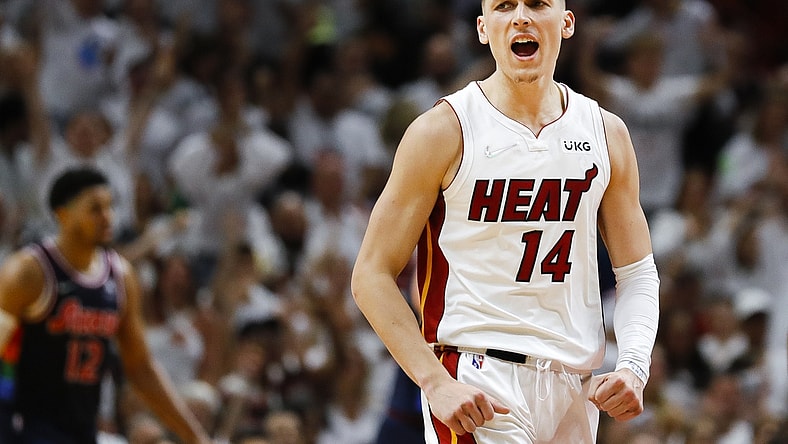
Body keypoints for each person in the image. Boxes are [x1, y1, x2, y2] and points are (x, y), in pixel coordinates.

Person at [351, 1, 660, 443]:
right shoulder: (444, 129)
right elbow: (370, 274)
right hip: (480, 380)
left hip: (573, 387)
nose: (520, 17)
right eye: (503, 6)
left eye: (536, 4)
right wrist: (434, 382)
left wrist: (633, 364)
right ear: (482, 28)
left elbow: (638, 272)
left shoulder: (606, 133)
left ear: (567, 22)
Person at [0, 168, 211, 443]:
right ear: (63, 214)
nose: (107, 217)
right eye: (95, 208)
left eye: (110, 207)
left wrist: (194, 436)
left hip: (83, 427)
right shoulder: (29, 272)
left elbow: (140, 367)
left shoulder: (120, 276)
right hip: (25, 426)